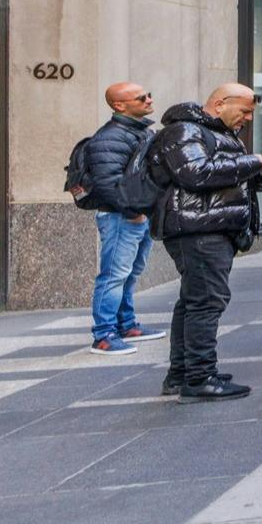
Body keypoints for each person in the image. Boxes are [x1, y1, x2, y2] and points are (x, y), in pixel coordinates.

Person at [150, 84, 262, 400]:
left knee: (194, 301)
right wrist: (253, 162)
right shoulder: (184, 130)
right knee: (207, 301)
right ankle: (199, 376)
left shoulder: (217, 133)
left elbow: (233, 181)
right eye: (246, 110)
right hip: (198, 230)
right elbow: (196, 174)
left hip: (210, 226)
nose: (248, 118)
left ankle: (182, 374)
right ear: (221, 103)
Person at [86, 81, 162, 355]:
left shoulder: (136, 132)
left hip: (137, 215)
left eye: (148, 94)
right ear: (119, 105)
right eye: (142, 97)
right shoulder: (110, 138)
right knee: (113, 276)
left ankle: (127, 324)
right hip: (121, 217)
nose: (149, 100)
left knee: (129, 273)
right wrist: (133, 212)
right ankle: (104, 335)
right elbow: (107, 183)